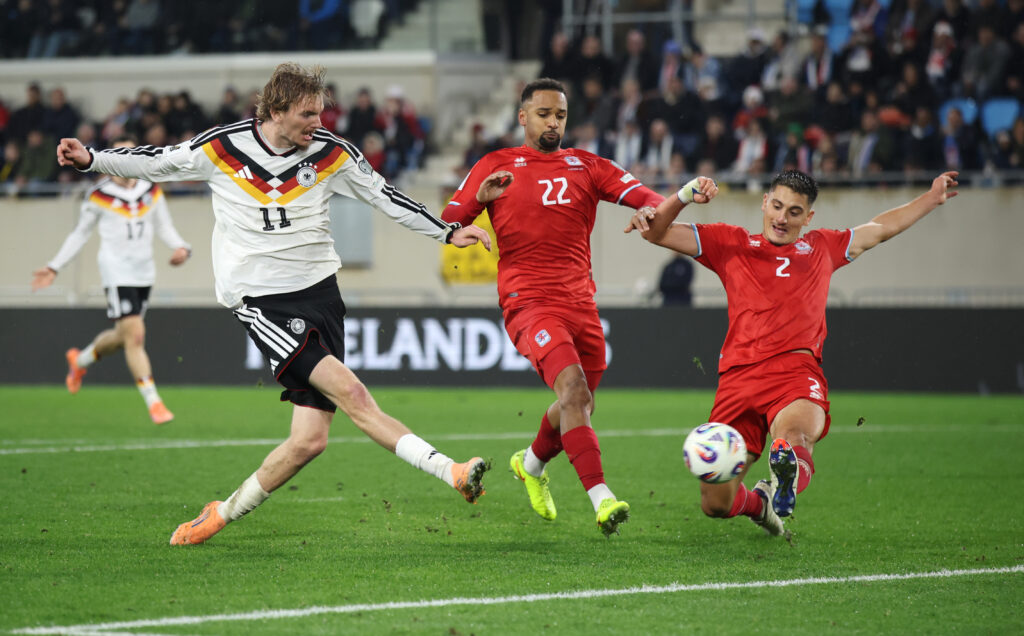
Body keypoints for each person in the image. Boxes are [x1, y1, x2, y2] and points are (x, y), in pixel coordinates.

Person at [55, 62, 494, 545]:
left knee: (309, 441)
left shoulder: (332, 154)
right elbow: (157, 161)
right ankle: (450, 471)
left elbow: (385, 197)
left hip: (322, 295)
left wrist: (447, 232)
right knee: (353, 394)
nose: (319, 123)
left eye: (322, 113)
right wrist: (90, 158)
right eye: (308, 114)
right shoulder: (222, 147)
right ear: (277, 110)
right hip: (262, 299)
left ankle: (219, 514)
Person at [441, 78, 715, 536]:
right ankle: (601, 498)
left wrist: (674, 201)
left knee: (578, 403)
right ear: (523, 116)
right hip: (527, 301)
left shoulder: (587, 165)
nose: (553, 122)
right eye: (544, 114)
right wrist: (477, 203)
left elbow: (645, 199)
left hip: (581, 304)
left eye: (561, 115)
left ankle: (529, 465)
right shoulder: (495, 164)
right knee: (572, 391)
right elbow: (447, 221)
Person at [625, 169, 959, 537]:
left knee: (794, 438)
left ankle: (786, 474)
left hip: (794, 372)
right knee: (715, 503)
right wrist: (684, 195)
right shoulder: (729, 242)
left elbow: (880, 228)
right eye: (778, 206)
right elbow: (655, 233)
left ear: (808, 217)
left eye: (794, 212)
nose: (782, 219)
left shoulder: (822, 247)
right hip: (737, 380)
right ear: (765, 202)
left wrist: (932, 198)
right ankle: (762, 504)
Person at [32, 135, 191, 425]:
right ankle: (154, 402)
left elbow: (165, 227)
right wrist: (55, 266)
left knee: (124, 337)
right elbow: (79, 234)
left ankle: (79, 361)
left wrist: (182, 248)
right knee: (136, 334)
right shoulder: (98, 195)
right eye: (124, 155)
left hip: (144, 272)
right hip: (116, 271)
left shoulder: (151, 190)